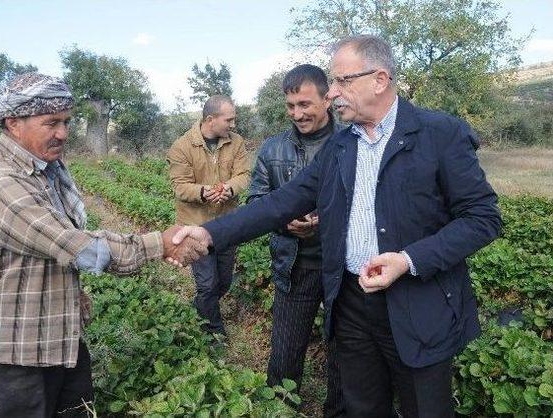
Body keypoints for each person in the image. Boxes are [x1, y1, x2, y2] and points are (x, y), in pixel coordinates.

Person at [171, 35, 501, 418]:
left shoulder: (439, 134)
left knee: (424, 408)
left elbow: (482, 218)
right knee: (361, 407)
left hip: (417, 303)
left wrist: (409, 259)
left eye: (343, 81)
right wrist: (210, 234)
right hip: (351, 304)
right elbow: (282, 201)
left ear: (379, 79)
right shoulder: (342, 146)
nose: (333, 94)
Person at [0, 72, 205, 418]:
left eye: (66, 122)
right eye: (51, 123)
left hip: (56, 329)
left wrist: (72, 294)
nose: (62, 133)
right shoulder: (0, 182)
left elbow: (53, 252)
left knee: (77, 408)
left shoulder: (45, 171)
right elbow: (76, 246)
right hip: (16, 345)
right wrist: (159, 244)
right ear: (14, 123)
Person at [247, 64, 342, 400]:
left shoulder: (352, 142)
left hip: (342, 268)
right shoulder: (272, 149)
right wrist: (285, 222)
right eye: (291, 106)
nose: (297, 114)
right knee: (285, 355)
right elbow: (257, 201)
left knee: (345, 355)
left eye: (305, 104)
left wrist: (326, 220)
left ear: (327, 99)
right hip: (294, 265)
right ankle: (281, 406)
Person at [167, 95, 250, 336]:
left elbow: (244, 174)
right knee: (207, 284)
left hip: (226, 224)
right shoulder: (181, 147)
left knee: (223, 282)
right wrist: (204, 192)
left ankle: (199, 309)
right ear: (210, 120)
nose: (233, 125)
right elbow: (179, 186)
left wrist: (229, 188)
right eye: (229, 120)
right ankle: (214, 333)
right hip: (195, 226)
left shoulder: (236, 142)